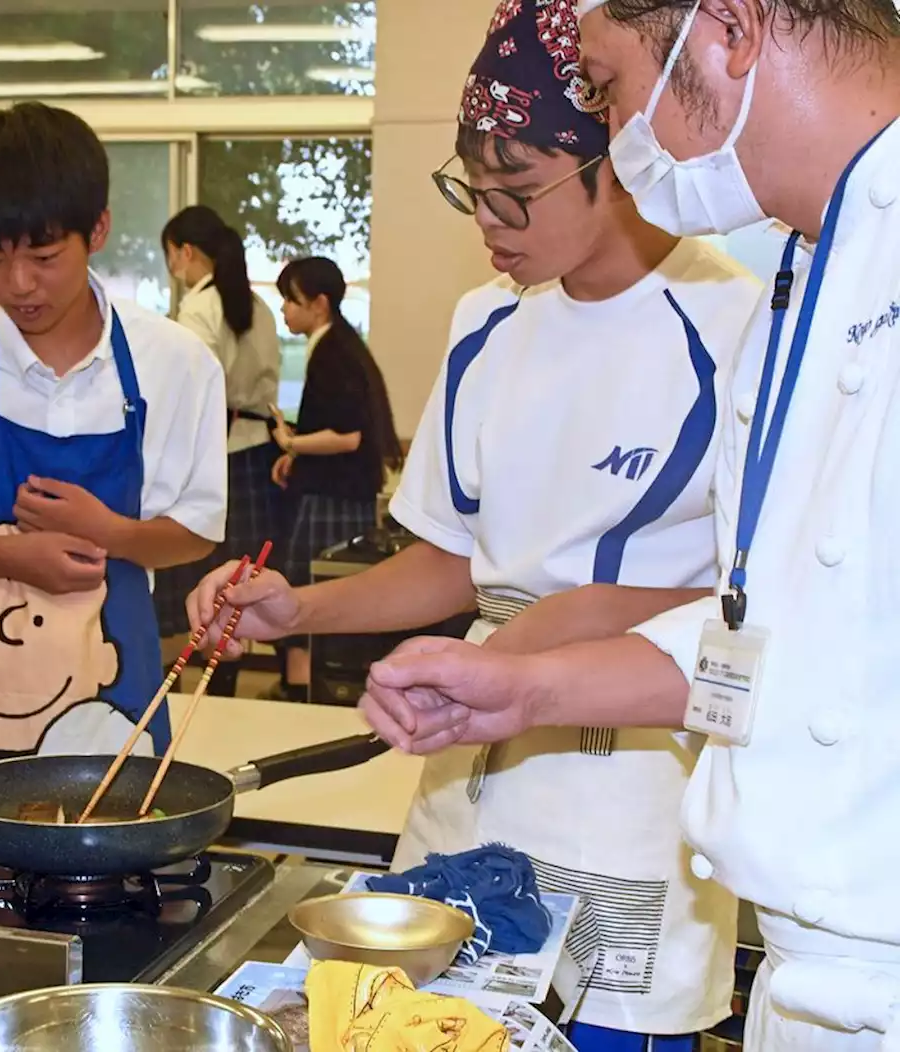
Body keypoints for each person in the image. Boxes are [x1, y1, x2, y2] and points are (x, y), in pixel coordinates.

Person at [187, 0, 764, 1043]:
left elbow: (750, 606)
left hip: (630, 790)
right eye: (470, 190)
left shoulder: (732, 325)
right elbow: (455, 561)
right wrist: (294, 606)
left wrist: (565, 620)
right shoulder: (486, 323)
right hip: (466, 777)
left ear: (621, 155)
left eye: (516, 192)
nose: (486, 223)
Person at [356, 0, 900, 1048]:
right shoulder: (808, 272)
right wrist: (524, 684)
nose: (624, 137)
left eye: (605, 89)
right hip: (812, 978)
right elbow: (778, 639)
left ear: (728, 30)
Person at [0, 102, 227, 820]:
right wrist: (12, 560)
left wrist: (109, 532)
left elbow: (198, 528)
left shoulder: (176, 364)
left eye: (45, 257)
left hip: (104, 710)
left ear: (99, 231)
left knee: (109, 896)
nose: (19, 284)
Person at [156, 206, 282, 696]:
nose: (173, 268)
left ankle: (196, 686)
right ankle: (225, 682)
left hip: (212, 453)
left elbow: (190, 388)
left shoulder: (197, 308)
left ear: (186, 252)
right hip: (256, 451)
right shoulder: (261, 307)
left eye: (171, 256)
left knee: (203, 574)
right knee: (239, 576)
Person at [267, 256, 402, 702]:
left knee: (313, 592)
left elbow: (346, 437)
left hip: (335, 496)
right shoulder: (339, 345)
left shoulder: (332, 352)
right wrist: (298, 455)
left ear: (320, 304)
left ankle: (305, 692)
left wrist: (292, 445)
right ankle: (301, 687)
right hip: (338, 490)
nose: (285, 309)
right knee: (315, 589)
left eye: (292, 300)